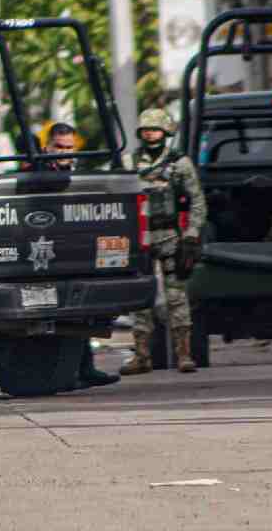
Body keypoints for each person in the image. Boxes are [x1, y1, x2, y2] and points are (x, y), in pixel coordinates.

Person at [120, 108, 207, 375]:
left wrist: (191, 234)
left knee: (176, 296)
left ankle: (184, 354)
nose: (150, 133)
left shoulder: (180, 163)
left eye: (155, 129)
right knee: (140, 297)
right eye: (146, 129)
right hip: (140, 238)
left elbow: (197, 201)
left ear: (165, 131)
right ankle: (142, 355)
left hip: (170, 235)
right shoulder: (129, 161)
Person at [43, 122, 120, 389]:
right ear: (47, 147)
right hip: (48, 253)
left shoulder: (80, 175)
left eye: (69, 148)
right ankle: (66, 373)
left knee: (81, 312)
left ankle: (85, 369)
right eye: (59, 147)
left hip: (76, 251)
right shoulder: (37, 174)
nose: (65, 153)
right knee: (57, 317)